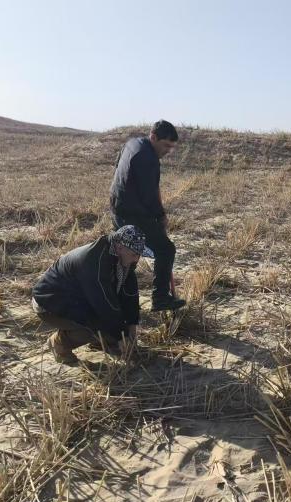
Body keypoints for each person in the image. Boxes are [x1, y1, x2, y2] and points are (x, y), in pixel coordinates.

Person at [31, 225, 153, 365]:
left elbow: (129, 293)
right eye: (134, 254)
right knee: (97, 328)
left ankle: (102, 341)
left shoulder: (123, 257)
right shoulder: (94, 262)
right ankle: (59, 343)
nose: (137, 259)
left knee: (113, 330)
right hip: (50, 302)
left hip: (80, 298)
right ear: (119, 248)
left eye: (138, 255)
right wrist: (122, 336)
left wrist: (131, 329)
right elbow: (103, 305)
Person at [110, 119, 186, 312]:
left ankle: (114, 299)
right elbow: (149, 195)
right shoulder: (148, 158)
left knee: (127, 258)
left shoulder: (132, 144)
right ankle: (160, 299)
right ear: (153, 137)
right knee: (165, 250)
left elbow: (119, 168)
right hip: (133, 214)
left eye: (172, 146)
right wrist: (160, 216)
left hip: (118, 209)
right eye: (166, 145)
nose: (169, 150)